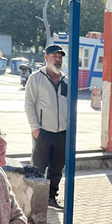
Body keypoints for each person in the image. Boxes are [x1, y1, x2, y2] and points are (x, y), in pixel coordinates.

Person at [24, 44, 68, 209]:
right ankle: (34, 201)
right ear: (46, 57)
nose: (58, 59)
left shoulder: (66, 80)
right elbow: (29, 104)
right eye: (54, 56)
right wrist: (35, 128)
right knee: (38, 168)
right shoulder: (35, 78)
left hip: (62, 133)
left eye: (60, 56)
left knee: (57, 168)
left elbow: (70, 106)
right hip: (43, 132)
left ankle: (51, 198)